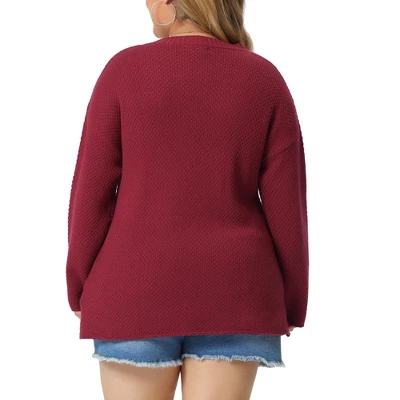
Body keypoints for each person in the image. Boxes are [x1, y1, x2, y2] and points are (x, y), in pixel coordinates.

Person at [65, 0, 309, 399]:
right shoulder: (264, 79)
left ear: (169, 3)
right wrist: (293, 300)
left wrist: (79, 284)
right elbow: (288, 209)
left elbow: (91, 194)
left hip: (133, 290)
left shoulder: (123, 71)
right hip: (237, 292)